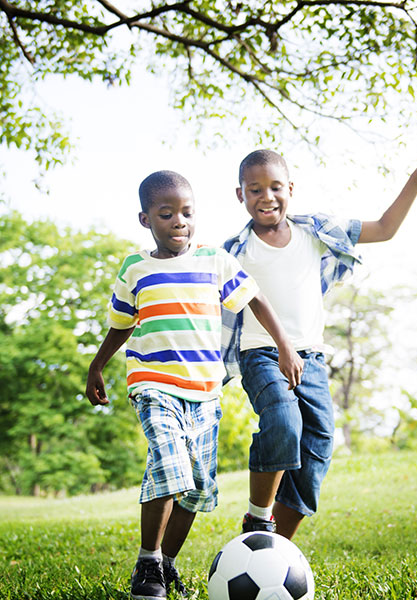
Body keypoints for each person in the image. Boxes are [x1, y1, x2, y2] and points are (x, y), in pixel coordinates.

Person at [86, 170, 303, 600]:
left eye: (187, 213)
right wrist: (97, 366)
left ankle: (165, 564)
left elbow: (255, 298)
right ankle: (147, 563)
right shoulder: (135, 268)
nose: (179, 222)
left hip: (204, 393)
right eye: (166, 214)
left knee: (198, 487)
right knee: (170, 468)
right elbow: (121, 325)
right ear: (146, 219)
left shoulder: (214, 260)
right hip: (153, 386)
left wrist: (284, 344)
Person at [222, 140, 417, 540]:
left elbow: (385, 228)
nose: (267, 196)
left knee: (318, 448)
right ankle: (258, 517)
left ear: (291, 190)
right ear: (240, 194)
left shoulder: (315, 232)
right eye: (255, 189)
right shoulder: (233, 253)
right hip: (260, 354)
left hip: (310, 359)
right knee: (283, 421)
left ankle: (272, 548)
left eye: (275, 186)